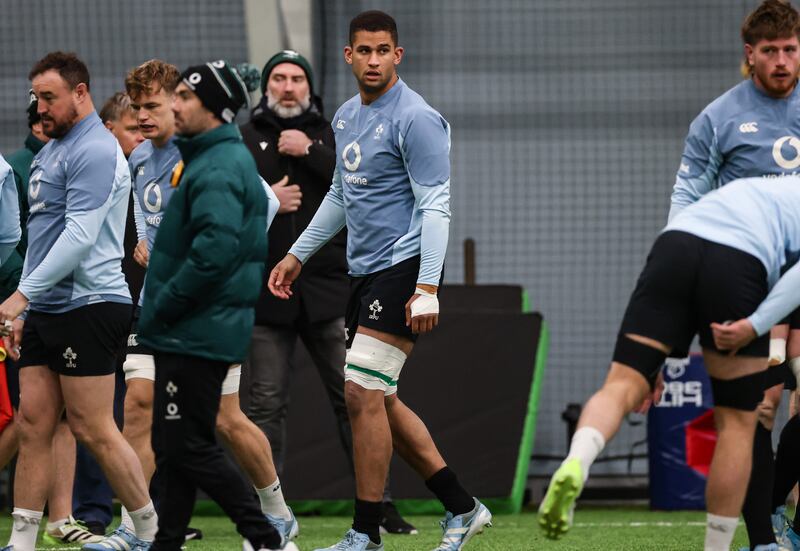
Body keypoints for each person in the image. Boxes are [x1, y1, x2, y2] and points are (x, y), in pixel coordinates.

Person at [269, 11, 492, 551]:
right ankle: (463, 507)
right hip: (363, 274)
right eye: (363, 51)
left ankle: (365, 532)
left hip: (406, 267)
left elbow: (436, 206)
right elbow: (343, 196)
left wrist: (429, 286)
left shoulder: (417, 118)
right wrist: (298, 254)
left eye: (382, 51)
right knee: (381, 399)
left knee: (360, 391)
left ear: (398, 55)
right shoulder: (346, 117)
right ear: (349, 56)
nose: (372, 60)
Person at [85, 58, 298, 551]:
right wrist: (150, 254)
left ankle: (274, 519)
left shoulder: (208, 153)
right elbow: (152, 224)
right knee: (143, 412)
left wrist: (201, 274)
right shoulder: (139, 158)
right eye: (136, 107)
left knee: (216, 426)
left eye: (157, 104)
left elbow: (249, 216)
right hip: (162, 306)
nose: (145, 115)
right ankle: (140, 529)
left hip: (199, 310)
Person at [539, 176, 800, 551]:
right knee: (738, 425)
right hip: (740, 259)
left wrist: (660, 362)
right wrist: (754, 325)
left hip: (675, 244)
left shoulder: (764, 188)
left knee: (621, 385)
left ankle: (577, 460)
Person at [240, 49, 415, 535]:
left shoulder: (333, 130)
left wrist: (309, 152)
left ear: (309, 86)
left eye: (296, 78)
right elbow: (231, 204)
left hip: (328, 289)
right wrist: (271, 200)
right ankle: (270, 512)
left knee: (357, 396)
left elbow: (359, 183)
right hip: (267, 290)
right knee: (266, 404)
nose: (288, 86)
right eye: (278, 78)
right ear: (267, 87)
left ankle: (380, 506)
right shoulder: (245, 137)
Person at [0, 51, 157, 551]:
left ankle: (149, 530)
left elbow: (80, 236)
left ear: (80, 93)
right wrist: (26, 305)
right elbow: (40, 240)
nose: (40, 107)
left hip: (91, 304)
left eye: (49, 97)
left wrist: (21, 295)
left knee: (92, 426)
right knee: (32, 423)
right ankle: (22, 540)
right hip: (48, 307)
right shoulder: (50, 152)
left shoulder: (95, 149)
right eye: (36, 98)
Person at [669, 1, 800, 547]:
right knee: (762, 407)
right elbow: (687, 197)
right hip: (755, 287)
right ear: (750, 55)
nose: (781, 61)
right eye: (769, 51)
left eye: (790, 49)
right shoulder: (719, 117)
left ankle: (777, 512)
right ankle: (763, 536)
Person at [71, 91, 146, 538]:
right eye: (133, 127)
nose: (142, 133)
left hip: (147, 307)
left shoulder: (162, 167)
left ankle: (144, 511)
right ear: (108, 128)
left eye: (146, 123)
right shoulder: (91, 169)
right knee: (95, 414)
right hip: (98, 306)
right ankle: (93, 509)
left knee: (146, 410)